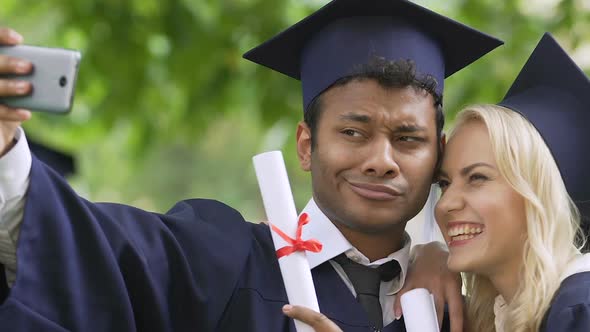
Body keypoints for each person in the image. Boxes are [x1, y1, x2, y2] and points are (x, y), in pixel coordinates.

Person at [0, 0, 503, 331]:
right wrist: (5, 151)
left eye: (407, 139)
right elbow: (90, 249)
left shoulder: (469, 304)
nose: (380, 161)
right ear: (306, 146)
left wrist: (439, 257)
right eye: (353, 132)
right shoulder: (224, 260)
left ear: (437, 153)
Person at [283, 33, 590, 332]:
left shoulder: (579, 308)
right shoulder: (494, 318)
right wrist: (428, 254)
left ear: (540, 195)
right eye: (444, 183)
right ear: (306, 146)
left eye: (477, 178)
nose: (445, 203)